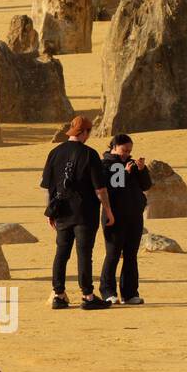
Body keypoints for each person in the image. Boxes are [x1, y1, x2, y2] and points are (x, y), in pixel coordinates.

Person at [40, 115, 115, 310]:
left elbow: (47, 187)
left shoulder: (55, 152)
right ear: (85, 133)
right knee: (84, 254)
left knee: (61, 252)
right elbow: (100, 190)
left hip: (62, 211)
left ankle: (58, 294)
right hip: (85, 213)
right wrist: (108, 210)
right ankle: (88, 296)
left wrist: (50, 212)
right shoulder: (90, 154)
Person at [99, 134, 152, 305]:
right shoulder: (107, 164)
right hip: (114, 217)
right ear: (114, 146)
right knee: (113, 254)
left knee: (131, 255)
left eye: (129, 151)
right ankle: (108, 291)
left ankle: (129, 293)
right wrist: (126, 173)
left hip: (134, 216)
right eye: (124, 150)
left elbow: (146, 185)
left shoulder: (131, 163)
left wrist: (142, 169)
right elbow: (113, 189)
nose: (126, 154)